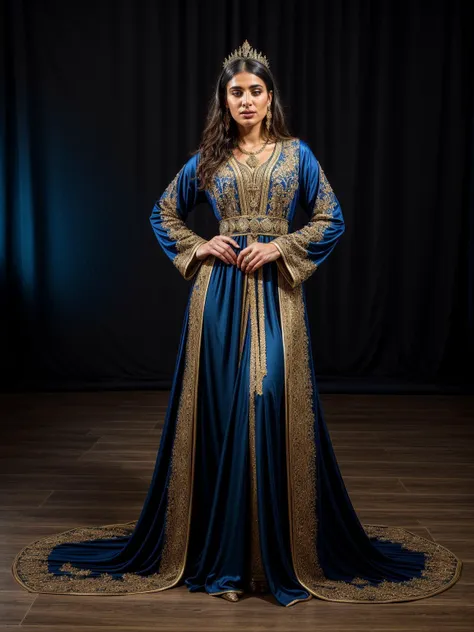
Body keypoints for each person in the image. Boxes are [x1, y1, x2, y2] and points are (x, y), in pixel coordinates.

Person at [12, 40, 461, 607]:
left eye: (255, 91)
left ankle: (272, 554)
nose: (245, 100)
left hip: (277, 295)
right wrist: (201, 246)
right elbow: (163, 212)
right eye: (235, 92)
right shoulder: (209, 159)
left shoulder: (298, 156)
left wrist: (281, 248)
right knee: (223, 409)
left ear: (270, 99)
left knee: (267, 399)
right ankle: (223, 561)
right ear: (224, 101)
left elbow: (331, 217)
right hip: (217, 297)